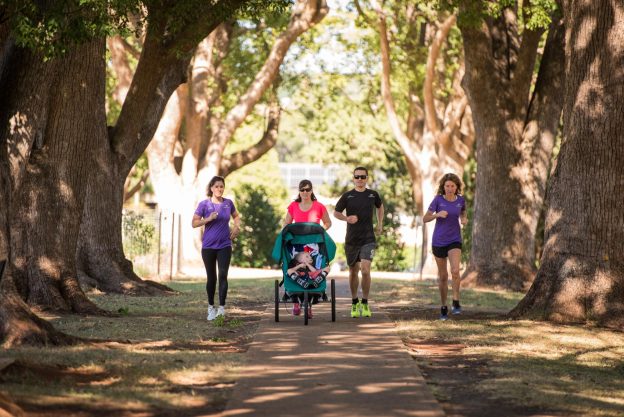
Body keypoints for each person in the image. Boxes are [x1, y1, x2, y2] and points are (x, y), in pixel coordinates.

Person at [334, 167, 384, 318]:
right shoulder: (347, 196)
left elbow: (380, 206)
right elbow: (336, 212)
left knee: (366, 270)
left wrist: (380, 223)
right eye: (357, 177)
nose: (360, 179)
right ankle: (355, 301)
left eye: (363, 177)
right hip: (352, 239)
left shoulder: (372, 194)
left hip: (368, 238)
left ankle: (365, 302)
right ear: (353, 178)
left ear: (367, 178)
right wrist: (346, 218)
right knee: (353, 271)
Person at [192, 175, 241, 321]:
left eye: (221, 186)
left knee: (223, 275)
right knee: (211, 278)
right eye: (217, 186)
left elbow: (236, 216)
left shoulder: (228, 203)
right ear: (211, 188)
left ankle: (221, 309)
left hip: (225, 245)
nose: (219, 189)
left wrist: (236, 227)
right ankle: (210, 307)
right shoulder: (204, 204)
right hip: (208, 247)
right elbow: (194, 223)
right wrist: (208, 219)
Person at [423, 173, 467, 321]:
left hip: (454, 239)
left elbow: (462, 212)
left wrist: (464, 219)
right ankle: (443, 306)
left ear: (456, 187)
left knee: (455, 270)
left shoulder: (460, 200)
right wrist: (437, 215)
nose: (449, 188)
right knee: (443, 277)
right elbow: (425, 218)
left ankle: (456, 301)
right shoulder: (438, 200)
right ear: (443, 186)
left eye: (452, 186)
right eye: (447, 186)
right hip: (439, 241)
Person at [286, 251, 330, 317]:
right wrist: (299, 266)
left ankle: (317, 281)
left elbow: (315, 272)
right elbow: (289, 271)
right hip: (298, 278)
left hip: (310, 280)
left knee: (327, 268)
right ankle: (300, 282)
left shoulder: (311, 266)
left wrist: (308, 265)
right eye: (307, 256)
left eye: (310, 256)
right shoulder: (295, 263)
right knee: (289, 270)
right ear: (300, 260)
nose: (310, 257)